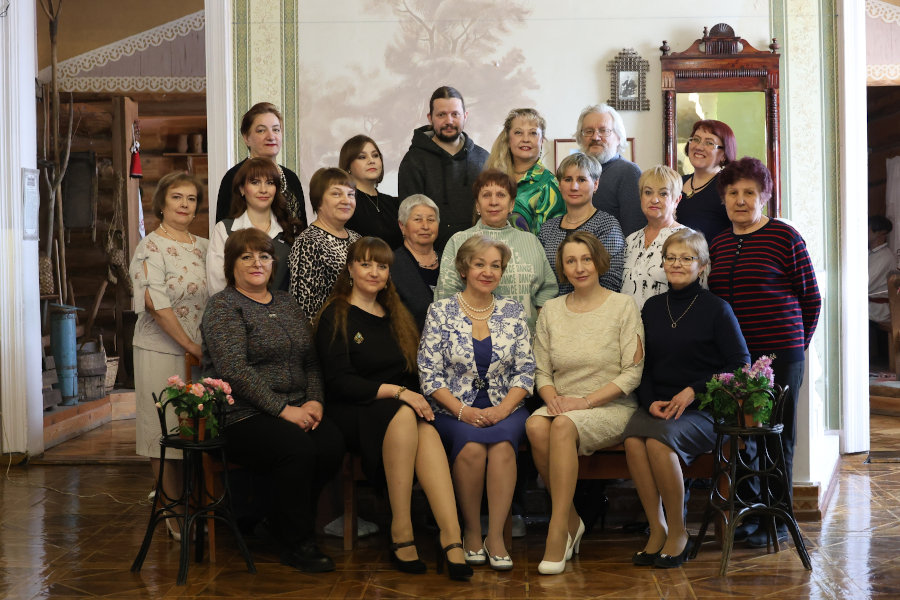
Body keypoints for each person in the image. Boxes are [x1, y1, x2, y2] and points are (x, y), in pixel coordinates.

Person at [314, 237, 472, 580]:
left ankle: (451, 536)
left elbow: (411, 372)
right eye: (366, 264)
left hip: (398, 407)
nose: (374, 272)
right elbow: (339, 382)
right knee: (404, 415)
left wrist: (409, 395)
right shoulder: (335, 314)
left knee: (425, 429)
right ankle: (401, 527)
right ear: (350, 269)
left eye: (382, 266)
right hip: (353, 409)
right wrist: (399, 393)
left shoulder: (395, 313)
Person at [201, 228, 344, 573]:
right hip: (241, 415)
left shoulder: (286, 303)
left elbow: (311, 361)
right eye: (246, 256)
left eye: (264, 256)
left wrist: (315, 402)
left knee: (332, 444)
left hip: (296, 407)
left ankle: (276, 518)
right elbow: (234, 371)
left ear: (273, 264)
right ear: (231, 265)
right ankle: (297, 542)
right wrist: (283, 410)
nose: (257, 263)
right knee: (297, 449)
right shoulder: (223, 306)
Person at [708, 157, 821, 548]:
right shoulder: (719, 243)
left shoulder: (784, 237)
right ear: (723, 198)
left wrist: (795, 347)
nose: (740, 200)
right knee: (745, 439)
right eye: (733, 193)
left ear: (765, 196)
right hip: (737, 359)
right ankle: (750, 513)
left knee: (777, 437)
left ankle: (777, 518)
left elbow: (811, 298)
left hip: (781, 355)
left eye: (749, 193)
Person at [623, 227, 750, 568]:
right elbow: (642, 364)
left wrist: (694, 390)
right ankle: (657, 529)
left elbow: (740, 365)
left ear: (702, 266)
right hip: (659, 405)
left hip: (704, 409)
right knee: (634, 440)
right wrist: (649, 400)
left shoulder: (717, 309)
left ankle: (679, 532)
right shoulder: (651, 308)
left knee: (657, 443)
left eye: (686, 258)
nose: (677, 264)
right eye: (671, 257)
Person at [525, 231, 644, 575]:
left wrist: (585, 402)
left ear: (599, 262)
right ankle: (572, 520)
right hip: (563, 404)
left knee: (562, 426)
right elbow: (541, 370)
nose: (579, 268)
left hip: (611, 406)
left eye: (586, 259)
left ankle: (556, 530)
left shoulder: (623, 306)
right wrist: (553, 399)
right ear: (562, 268)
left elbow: (632, 374)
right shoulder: (551, 310)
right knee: (535, 424)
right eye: (571, 261)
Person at [418, 235, 535, 571]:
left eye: (495, 266)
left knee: (501, 447)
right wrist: (462, 411)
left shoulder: (513, 311)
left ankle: (496, 536)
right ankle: (470, 530)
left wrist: (503, 409)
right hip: (452, 409)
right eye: (480, 264)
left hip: (507, 407)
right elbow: (429, 374)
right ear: (464, 269)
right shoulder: (440, 311)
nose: (488, 272)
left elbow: (526, 370)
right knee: (470, 447)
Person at [130, 172, 209, 541]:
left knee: (198, 431)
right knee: (163, 431)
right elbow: (156, 304)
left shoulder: (205, 246)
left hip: (202, 354)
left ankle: (198, 503)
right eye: (177, 197)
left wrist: (205, 348)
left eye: (191, 198)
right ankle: (172, 510)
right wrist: (190, 346)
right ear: (161, 202)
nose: (184, 204)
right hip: (161, 349)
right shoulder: (149, 247)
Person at [435, 169, 558, 333]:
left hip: (527, 339)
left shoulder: (531, 241)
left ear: (511, 204)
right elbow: (446, 296)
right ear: (477, 205)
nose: (493, 202)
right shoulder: (458, 241)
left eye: (501, 195)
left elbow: (547, 290)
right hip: (471, 339)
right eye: (486, 195)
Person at [398, 86, 490, 250]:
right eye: (441, 115)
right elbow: (410, 218)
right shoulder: (413, 161)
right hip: (430, 255)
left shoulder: (483, 159)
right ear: (430, 118)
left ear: (465, 116)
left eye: (455, 114)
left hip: (479, 253)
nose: (449, 121)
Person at [207, 158, 302, 295]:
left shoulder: (291, 230)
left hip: (282, 308)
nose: (263, 190)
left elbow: (296, 287)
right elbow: (217, 287)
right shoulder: (224, 230)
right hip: (234, 308)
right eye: (255, 182)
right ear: (242, 189)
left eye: (269, 183)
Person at [538, 153, 624, 296]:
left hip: (595, 306)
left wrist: (576, 305)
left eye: (582, 180)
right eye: (567, 179)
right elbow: (540, 277)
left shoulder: (607, 225)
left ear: (595, 184)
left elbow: (611, 280)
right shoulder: (547, 229)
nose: (574, 187)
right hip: (551, 307)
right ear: (559, 185)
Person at [216, 102, 308, 227]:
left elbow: (302, 229)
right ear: (246, 138)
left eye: (276, 130)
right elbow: (223, 229)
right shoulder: (234, 176)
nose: (271, 136)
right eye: (261, 131)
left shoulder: (291, 178)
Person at [288, 167, 361, 320]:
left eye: (350, 194)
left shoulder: (357, 239)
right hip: (330, 330)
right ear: (319, 201)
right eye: (336, 194)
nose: (346, 200)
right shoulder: (308, 242)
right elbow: (304, 310)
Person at [484, 108, 562, 234]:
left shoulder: (549, 184)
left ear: (542, 140)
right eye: (518, 132)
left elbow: (552, 239)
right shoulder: (493, 178)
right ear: (508, 140)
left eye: (533, 133)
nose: (525, 139)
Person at [621, 165, 686, 309]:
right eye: (648, 192)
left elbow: (698, 296)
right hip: (629, 322)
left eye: (663, 194)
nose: (654, 199)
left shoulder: (688, 240)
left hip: (669, 321)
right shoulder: (630, 241)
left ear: (677, 200)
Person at [574, 104, 644, 237]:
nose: (595, 137)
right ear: (580, 138)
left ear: (618, 137)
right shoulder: (574, 173)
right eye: (588, 131)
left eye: (604, 130)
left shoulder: (628, 172)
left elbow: (634, 232)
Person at [678, 120, 737, 242]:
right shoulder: (677, 183)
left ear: (724, 154)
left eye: (709, 143)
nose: (699, 147)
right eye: (696, 139)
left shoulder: (729, 187)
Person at [339, 135, 402, 249]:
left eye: (375, 155)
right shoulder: (345, 204)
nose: (371, 161)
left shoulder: (394, 203)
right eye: (362, 157)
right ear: (348, 166)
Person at [391, 194, 441, 330]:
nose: (425, 226)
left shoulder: (449, 261)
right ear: (402, 226)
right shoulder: (391, 265)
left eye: (431, 220)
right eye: (418, 219)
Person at [869, 215, 895, 365]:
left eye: (868, 228)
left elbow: (865, 284)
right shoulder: (871, 254)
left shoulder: (885, 257)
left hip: (878, 310)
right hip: (871, 307)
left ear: (880, 233)